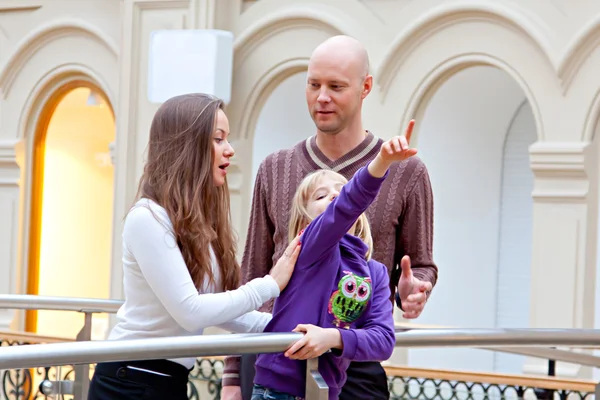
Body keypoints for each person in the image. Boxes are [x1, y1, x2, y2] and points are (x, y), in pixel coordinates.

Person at [221, 35, 438, 400]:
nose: (322, 97)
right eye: (313, 84)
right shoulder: (275, 168)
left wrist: (411, 289)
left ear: (365, 87)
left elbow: (420, 265)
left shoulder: (408, 172)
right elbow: (254, 272)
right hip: (276, 358)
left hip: (353, 361)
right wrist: (231, 375)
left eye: (336, 86)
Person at [87, 93, 301, 400]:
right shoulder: (148, 218)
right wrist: (270, 285)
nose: (229, 150)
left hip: (164, 379)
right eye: (218, 139)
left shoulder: (193, 222)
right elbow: (190, 312)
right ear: (187, 145)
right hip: (129, 380)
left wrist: (290, 329)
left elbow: (218, 309)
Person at [251, 134, 415, 400]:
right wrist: (382, 161)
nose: (335, 196)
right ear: (306, 218)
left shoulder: (376, 273)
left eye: (340, 190)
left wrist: (333, 338)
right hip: (278, 390)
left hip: (326, 392)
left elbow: (383, 339)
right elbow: (346, 205)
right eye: (321, 195)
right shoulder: (310, 249)